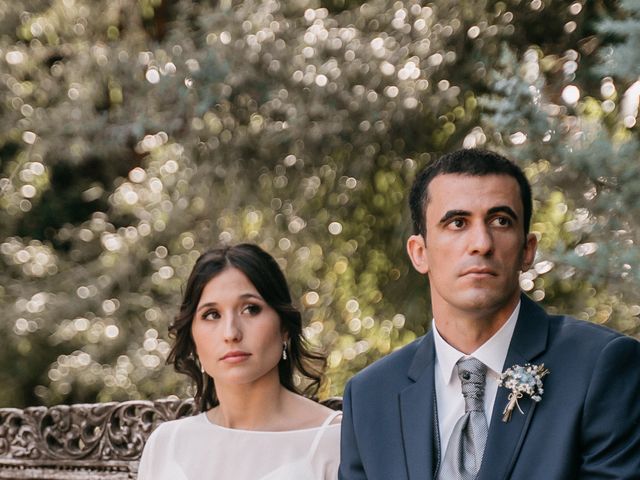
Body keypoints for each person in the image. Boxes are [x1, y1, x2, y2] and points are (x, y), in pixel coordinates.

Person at [339, 148, 640, 480]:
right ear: (419, 252)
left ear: (527, 250)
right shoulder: (370, 395)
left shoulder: (600, 366)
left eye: (501, 221)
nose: (481, 243)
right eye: (457, 222)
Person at [138, 243, 341, 480]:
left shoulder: (334, 439)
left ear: (284, 327)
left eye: (250, 309)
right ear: (192, 337)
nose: (231, 333)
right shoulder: (166, 444)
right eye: (212, 315)